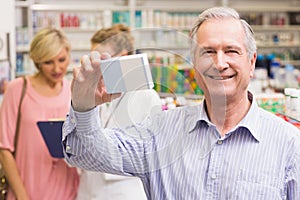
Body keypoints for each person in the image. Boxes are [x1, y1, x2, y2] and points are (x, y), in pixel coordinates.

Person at [63, 7, 300, 200]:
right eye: (207, 52)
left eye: (231, 51)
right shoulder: (159, 132)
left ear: (251, 61)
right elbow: (85, 154)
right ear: (194, 65)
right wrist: (83, 106)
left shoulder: (288, 144)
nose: (219, 63)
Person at [76, 24, 161, 200]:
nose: (95, 65)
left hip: (124, 188)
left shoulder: (145, 95)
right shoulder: (94, 90)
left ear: (122, 57)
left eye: (100, 58)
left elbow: (151, 153)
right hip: (89, 184)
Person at [0, 27, 79, 200]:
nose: (57, 68)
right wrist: (21, 196)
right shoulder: (18, 89)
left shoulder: (73, 91)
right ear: (37, 61)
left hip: (67, 191)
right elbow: (4, 147)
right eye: (48, 62)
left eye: (62, 59)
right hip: (26, 191)